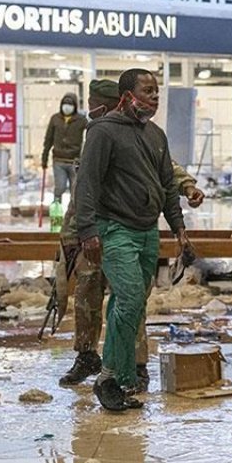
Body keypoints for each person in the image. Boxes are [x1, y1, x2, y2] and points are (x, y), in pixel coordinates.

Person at [57, 79, 205, 393]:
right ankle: (88, 355)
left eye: (95, 102)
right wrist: (76, 235)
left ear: (114, 102)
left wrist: (186, 189)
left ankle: (132, 364)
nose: (90, 108)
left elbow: (167, 171)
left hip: (119, 227)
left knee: (131, 296)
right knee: (88, 295)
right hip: (92, 229)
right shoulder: (99, 132)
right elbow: (84, 188)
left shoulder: (140, 133)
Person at [42, 92, 88, 201]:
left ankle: (72, 214)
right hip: (59, 160)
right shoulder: (55, 119)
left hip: (74, 161)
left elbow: (91, 130)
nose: (67, 106)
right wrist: (44, 157)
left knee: (75, 190)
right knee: (60, 187)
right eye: (65, 103)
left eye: (70, 104)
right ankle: (56, 211)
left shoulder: (81, 120)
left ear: (75, 106)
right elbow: (48, 139)